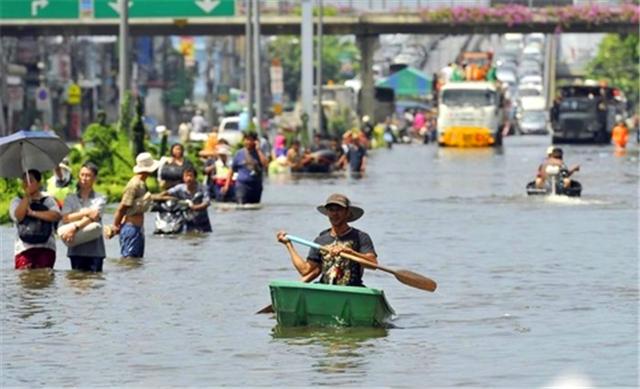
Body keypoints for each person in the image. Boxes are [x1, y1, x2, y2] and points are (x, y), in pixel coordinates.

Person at [276, 193, 377, 286]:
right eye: (331, 210)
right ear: (327, 213)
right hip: (325, 290)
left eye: (339, 210)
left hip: (352, 290)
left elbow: (373, 264)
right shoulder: (321, 240)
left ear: (347, 212)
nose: (334, 214)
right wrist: (288, 245)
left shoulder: (360, 237)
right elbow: (305, 270)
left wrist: (350, 252)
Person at [111, 152, 160, 259]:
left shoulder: (142, 183)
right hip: (131, 229)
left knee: (136, 263)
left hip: (137, 229)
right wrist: (115, 226)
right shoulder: (134, 185)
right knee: (130, 262)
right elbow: (122, 208)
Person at [10, 169, 62, 269]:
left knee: (44, 279)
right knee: (25, 279)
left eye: (31, 181)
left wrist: (33, 213)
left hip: (46, 248)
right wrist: (26, 197)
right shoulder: (17, 200)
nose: (27, 184)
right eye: (24, 181)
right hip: (24, 249)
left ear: (39, 183)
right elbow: (18, 217)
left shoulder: (48, 200)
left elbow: (56, 215)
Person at [60, 162, 107, 272]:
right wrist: (85, 213)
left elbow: (94, 217)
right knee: (76, 283)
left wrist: (74, 227)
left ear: (94, 178)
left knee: (94, 284)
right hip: (76, 250)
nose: (84, 178)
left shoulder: (100, 198)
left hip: (95, 250)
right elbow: (65, 218)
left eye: (88, 175)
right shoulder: (70, 198)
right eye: (82, 175)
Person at [222, 132, 268, 204]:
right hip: (242, 186)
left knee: (255, 207)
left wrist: (258, 150)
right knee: (241, 206)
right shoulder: (239, 153)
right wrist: (226, 185)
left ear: (255, 141)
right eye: (246, 140)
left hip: (256, 187)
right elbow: (231, 170)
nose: (248, 142)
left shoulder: (259, 153)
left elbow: (265, 165)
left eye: (250, 140)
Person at [162, 166, 212, 233]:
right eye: (186, 176)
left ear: (195, 177)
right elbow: (166, 193)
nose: (188, 178)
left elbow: (207, 202)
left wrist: (195, 207)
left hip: (203, 222)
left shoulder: (202, 188)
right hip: (188, 223)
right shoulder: (180, 188)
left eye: (191, 176)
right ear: (183, 178)